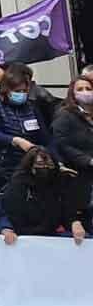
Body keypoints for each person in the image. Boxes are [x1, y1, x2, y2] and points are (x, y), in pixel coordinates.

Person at [0, 64, 51, 187]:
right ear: (6, 90)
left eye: (24, 91)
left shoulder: (31, 107)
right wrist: (16, 140)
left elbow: (44, 136)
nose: (21, 94)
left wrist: (50, 154)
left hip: (31, 164)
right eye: (17, 91)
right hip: (5, 166)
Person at [2, 146, 86, 244]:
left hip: (52, 234)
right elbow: (13, 217)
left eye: (49, 165)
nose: (45, 167)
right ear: (31, 167)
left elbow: (67, 210)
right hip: (23, 237)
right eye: (40, 164)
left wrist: (74, 222)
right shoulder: (18, 185)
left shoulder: (59, 183)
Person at [53, 77, 93, 218]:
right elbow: (61, 143)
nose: (85, 92)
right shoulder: (65, 115)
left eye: (88, 89)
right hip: (79, 174)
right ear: (72, 93)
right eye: (80, 89)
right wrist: (88, 160)